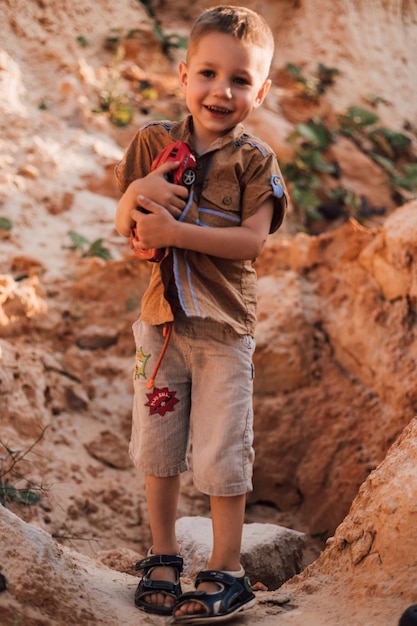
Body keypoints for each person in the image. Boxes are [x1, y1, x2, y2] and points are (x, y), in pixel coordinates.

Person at [114, 4, 288, 623]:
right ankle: (162, 556)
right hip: (160, 327)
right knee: (157, 449)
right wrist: (137, 198)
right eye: (209, 74)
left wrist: (176, 232)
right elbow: (127, 225)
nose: (222, 90)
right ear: (185, 75)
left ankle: (227, 569)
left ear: (260, 91)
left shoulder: (255, 162)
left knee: (220, 454)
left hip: (222, 331)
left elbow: (250, 243)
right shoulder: (153, 144)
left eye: (241, 80)